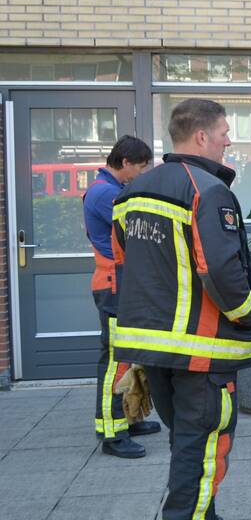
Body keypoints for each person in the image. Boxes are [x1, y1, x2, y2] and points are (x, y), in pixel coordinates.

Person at [112, 99, 251, 520]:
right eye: (223, 132)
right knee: (203, 444)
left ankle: (204, 516)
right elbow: (220, 269)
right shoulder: (207, 191)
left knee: (186, 440)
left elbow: (126, 262)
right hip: (202, 349)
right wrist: (248, 316)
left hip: (153, 346)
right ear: (201, 137)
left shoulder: (132, 192)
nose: (228, 139)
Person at [82, 135, 159, 459]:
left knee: (126, 356)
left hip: (119, 282)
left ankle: (127, 417)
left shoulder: (110, 190)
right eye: (141, 168)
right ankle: (112, 431)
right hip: (113, 284)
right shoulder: (107, 194)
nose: (141, 175)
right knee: (116, 360)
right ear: (125, 163)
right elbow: (137, 230)